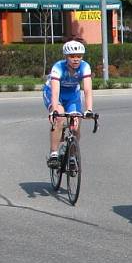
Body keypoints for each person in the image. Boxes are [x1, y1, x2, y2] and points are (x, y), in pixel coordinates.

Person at [43, 39, 94, 167]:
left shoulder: (85, 66)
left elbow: (87, 90)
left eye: (79, 56)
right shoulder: (58, 67)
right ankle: (54, 153)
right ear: (66, 57)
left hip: (72, 95)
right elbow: (55, 92)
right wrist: (54, 110)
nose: (76, 59)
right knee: (59, 118)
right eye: (72, 56)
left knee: (76, 126)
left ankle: (72, 155)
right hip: (55, 93)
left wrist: (89, 109)